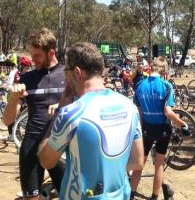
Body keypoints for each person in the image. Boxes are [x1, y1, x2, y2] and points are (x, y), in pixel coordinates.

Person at [37, 42, 144, 200]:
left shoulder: (71, 113)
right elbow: (137, 161)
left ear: (77, 72)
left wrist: (59, 111)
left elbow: (46, 160)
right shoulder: (130, 107)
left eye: (66, 72)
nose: (65, 79)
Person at [3, 28, 72, 200]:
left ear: (51, 52)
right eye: (31, 55)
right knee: (31, 197)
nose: (32, 60)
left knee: (69, 195)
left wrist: (62, 105)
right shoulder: (26, 79)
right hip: (32, 144)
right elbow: (7, 120)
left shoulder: (68, 76)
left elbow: (83, 106)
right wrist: (14, 98)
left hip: (62, 145)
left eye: (37, 56)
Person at [130, 56, 187, 200]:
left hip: (146, 128)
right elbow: (168, 112)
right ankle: (155, 196)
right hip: (162, 129)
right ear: (164, 70)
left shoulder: (140, 85)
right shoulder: (166, 85)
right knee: (159, 165)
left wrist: (140, 131)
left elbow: (139, 112)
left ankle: (131, 194)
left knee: (139, 165)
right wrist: (183, 124)